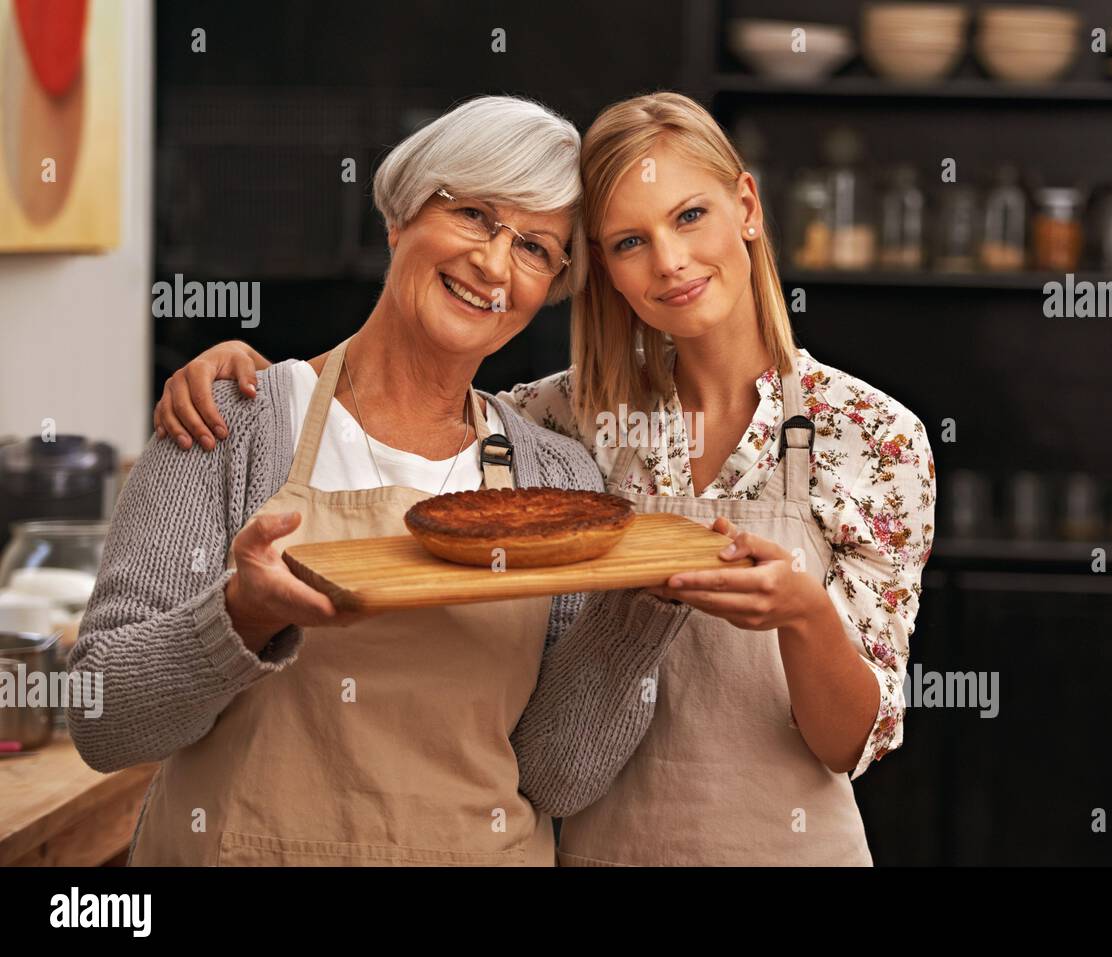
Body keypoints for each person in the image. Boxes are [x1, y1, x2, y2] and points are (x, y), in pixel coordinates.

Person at [153, 92, 936, 866]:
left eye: (690, 215)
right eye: (630, 241)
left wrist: (802, 613)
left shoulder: (875, 437)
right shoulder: (558, 421)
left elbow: (846, 745)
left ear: (747, 206)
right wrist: (259, 374)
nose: (669, 261)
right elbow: (406, 387)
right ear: (602, 271)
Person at [69, 95, 691, 867]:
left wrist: (642, 613)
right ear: (400, 218)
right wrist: (240, 615)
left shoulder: (551, 472)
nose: (494, 263)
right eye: (472, 214)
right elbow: (100, 719)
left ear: (552, 287)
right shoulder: (231, 419)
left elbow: (554, 778)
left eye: (535, 248)